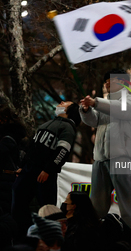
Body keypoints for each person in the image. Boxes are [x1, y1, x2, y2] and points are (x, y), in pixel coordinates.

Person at [79, 69, 131, 250]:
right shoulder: (105, 103)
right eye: (106, 81)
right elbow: (94, 121)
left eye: (110, 80)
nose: (107, 84)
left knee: (128, 202)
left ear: (122, 81)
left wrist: (96, 102)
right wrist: (85, 110)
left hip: (120, 157)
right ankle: (93, 237)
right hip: (101, 157)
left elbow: (122, 110)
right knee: (96, 204)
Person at [12, 101, 80, 236]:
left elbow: (62, 151)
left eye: (65, 103)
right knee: (18, 203)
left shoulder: (68, 128)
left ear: (69, 111)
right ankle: (22, 235)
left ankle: (49, 237)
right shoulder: (47, 124)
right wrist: (22, 166)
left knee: (47, 207)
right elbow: (32, 147)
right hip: (29, 170)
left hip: (44, 173)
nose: (61, 102)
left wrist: (49, 169)